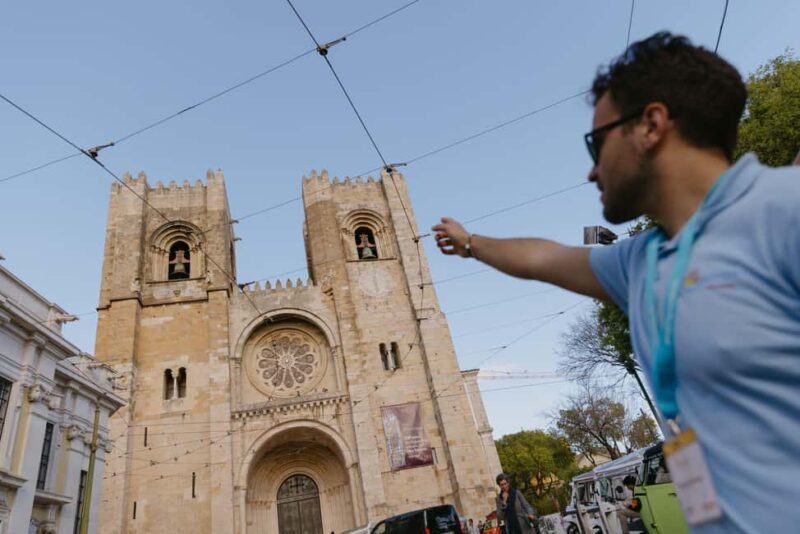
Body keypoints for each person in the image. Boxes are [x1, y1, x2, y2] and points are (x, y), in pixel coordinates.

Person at [433, 31, 800, 533]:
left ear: (650, 125)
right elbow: (545, 257)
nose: (589, 171)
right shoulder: (640, 262)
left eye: (597, 142)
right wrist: (471, 242)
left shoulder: (784, 210)